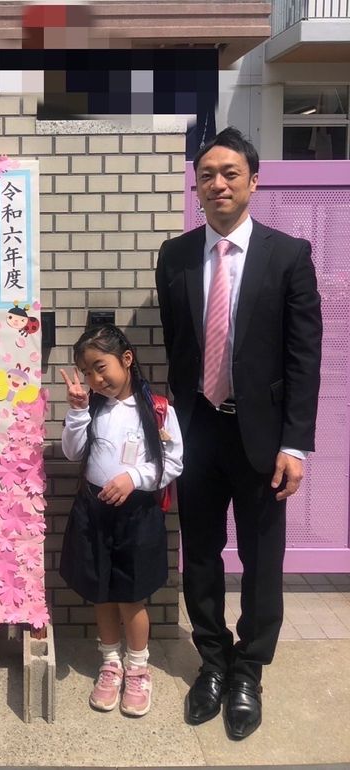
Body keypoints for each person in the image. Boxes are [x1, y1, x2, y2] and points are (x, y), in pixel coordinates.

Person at [155, 127, 322, 739]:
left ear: (254, 181)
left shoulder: (288, 255)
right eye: (207, 175)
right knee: (199, 555)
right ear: (196, 187)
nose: (218, 183)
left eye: (230, 173)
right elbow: (178, 344)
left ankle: (249, 668)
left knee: (261, 559)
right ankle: (213, 662)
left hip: (263, 440)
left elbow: (304, 357)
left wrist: (294, 444)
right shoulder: (175, 255)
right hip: (199, 431)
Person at [59, 324, 183, 717]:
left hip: (137, 517)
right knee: (102, 593)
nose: (96, 379)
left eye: (101, 367)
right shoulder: (92, 408)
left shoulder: (159, 410)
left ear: (126, 359)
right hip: (94, 512)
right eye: (87, 372)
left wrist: (133, 478)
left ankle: (138, 669)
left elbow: (173, 463)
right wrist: (77, 411)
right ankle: (110, 664)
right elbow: (72, 452)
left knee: (131, 597)